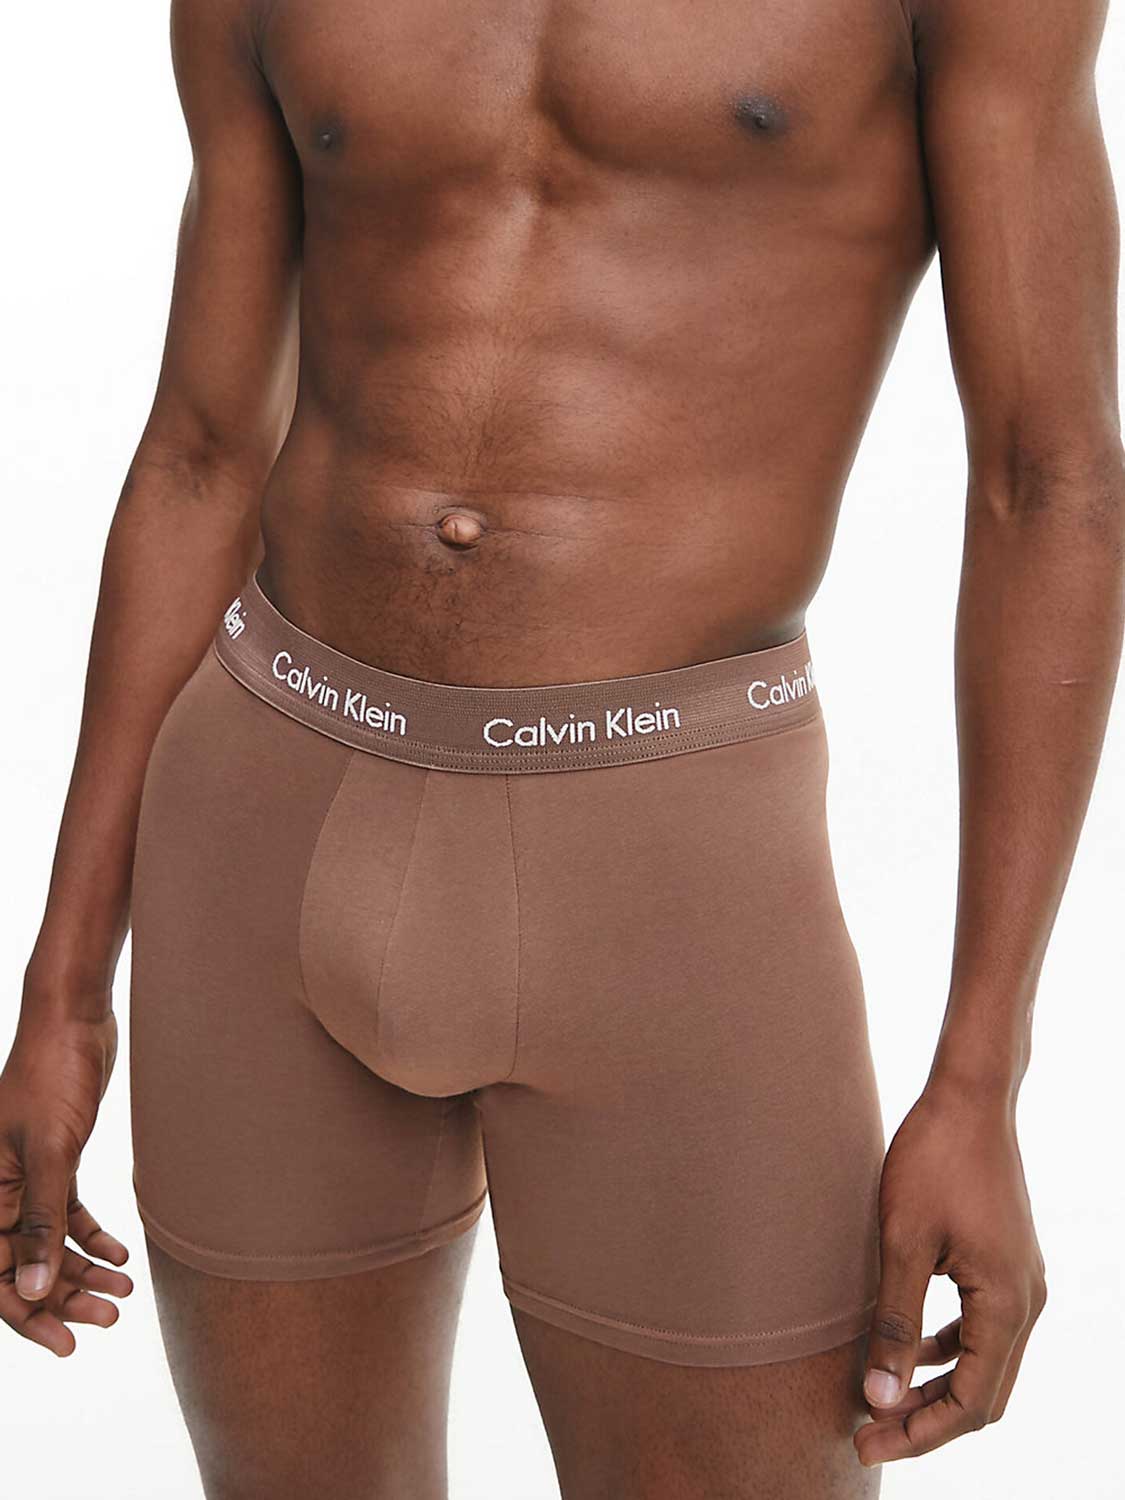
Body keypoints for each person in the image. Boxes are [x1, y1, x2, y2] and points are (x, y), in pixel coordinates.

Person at [2, 0, 1121, 1494]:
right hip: (264, 819)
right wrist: (63, 990)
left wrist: (980, 1077)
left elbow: (1050, 479)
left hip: (668, 871)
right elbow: (200, 450)